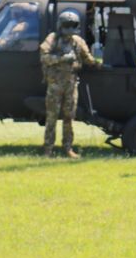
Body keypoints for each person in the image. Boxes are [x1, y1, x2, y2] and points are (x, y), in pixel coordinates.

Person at [39, 10, 99, 158]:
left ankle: (68, 147)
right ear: (60, 25)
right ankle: (48, 149)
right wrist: (62, 59)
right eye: (67, 25)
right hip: (55, 84)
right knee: (51, 117)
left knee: (69, 117)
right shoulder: (52, 39)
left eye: (73, 25)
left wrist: (98, 65)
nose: (70, 29)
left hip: (71, 85)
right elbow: (44, 57)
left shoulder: (77, 41)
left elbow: (87, 57)